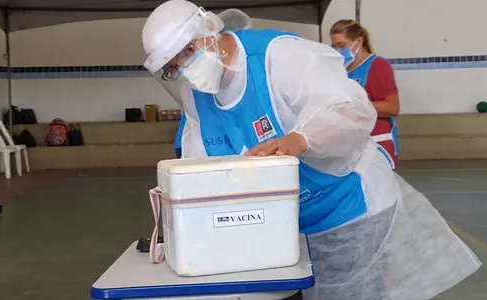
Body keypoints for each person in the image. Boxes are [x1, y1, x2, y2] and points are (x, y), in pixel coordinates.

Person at [142, 1, 481, 299]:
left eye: (186, 54)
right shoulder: (196, 98)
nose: (184, 70)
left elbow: (351, 108)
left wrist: (299, 139)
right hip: (286, 224)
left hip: (349, 207)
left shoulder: (277, 56)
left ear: (209, 29)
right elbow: (197, 168)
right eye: (172, 68)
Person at [330, 19, 400, 170]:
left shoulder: (377, 66)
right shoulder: (340, 71)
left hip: (376, 144)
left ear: (359, 41)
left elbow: (392, 108)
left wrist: (355, 106)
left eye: (341, 45)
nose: (337, 51)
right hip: (352, 146)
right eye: (334, 46)